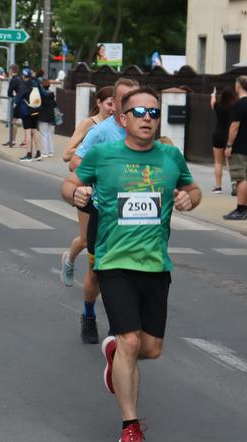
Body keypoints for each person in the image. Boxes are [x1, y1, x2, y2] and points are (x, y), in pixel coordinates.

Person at [61, 87, 201, 442]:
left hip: (155, 264)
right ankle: (130, 426)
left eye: (154, 113)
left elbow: (193, 189)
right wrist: (75, 193)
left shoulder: (171, 157)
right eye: (139, 112)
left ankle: (114, 356)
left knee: (150, 348)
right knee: (130, 340)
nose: (147, 119)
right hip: (114, 261)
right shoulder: (104, 154)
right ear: (122, 119)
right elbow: (69, 183)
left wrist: (189, 198)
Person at [67, 78, 139, 344]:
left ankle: (119, 324)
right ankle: (88, 314)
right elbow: (74, 162)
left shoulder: (145, 130)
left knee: (131, 272)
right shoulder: (101, 132)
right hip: (104, 213)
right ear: (116, 103)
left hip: (134, 217)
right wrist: (86, 184)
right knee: (98, 273)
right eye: (125, 99)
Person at [59, 86, 114, 291]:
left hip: (109, 192)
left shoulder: (122, 127)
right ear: (99, 103)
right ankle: (69, 260)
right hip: (87, 188)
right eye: (109, 103)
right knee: (85, 239)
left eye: (115, 103)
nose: (112, 108)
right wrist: (90, 152)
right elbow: (67, 154)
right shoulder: (89, 124)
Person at [223, 75, 247, 220]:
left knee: (240, 178)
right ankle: (243, 208)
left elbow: (234, 126)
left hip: (239, 146)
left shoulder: (240, 104)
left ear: (238, 86)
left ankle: (241, 209)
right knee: (246, 176)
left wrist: (229, 144)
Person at [15, 68, 48, 161]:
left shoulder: (23, 85)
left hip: (26, 111)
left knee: (27, 131)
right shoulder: (36, 83)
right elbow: (43, 94)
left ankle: (29, 154)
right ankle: (38, 153)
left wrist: (15, 99)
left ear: (23, 76)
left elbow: (17, 100)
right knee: (35, 130)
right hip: (36, 109)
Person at [210, 86, 236, 193]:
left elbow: (212, 103)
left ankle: (218, 187)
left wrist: (213, 94)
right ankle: (234, 185)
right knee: (230, 162)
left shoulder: (218, 106)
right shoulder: (234, 108)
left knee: (218, 162)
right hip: (228, 135)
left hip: (217, 134)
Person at [37, 79, 58, 158]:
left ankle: (44, 153)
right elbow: (55, 105)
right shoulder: (51, 94)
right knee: (49, 134)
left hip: (43, 117)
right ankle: (51, 152)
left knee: (43, 135)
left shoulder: (41, 95)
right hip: (51, 117)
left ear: (42, 86)